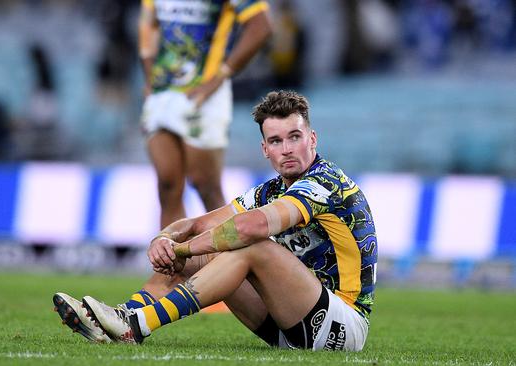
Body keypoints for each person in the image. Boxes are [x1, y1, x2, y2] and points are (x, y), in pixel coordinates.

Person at [53, 91, 378, 351]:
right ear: (265, 149)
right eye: (276, 141)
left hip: (340, 328)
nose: (287, 149)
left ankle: (136, 326)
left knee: (251, 247)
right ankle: (122, 316)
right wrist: (165, 240)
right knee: (207, 250)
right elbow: (196, 224)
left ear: (312, 139)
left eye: (295, 137)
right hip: (288, 325)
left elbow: (251, 228)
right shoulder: (271, 190)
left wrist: (183, 250)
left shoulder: (325, 183)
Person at [138, 0, 272, 229]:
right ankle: (172, 262)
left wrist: (220, 77)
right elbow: (148, 21)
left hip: (204, 97)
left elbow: (261, 26)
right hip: (162, 94)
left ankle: (235, 261)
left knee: (206, 187)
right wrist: (149, 73)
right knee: (167, 185)